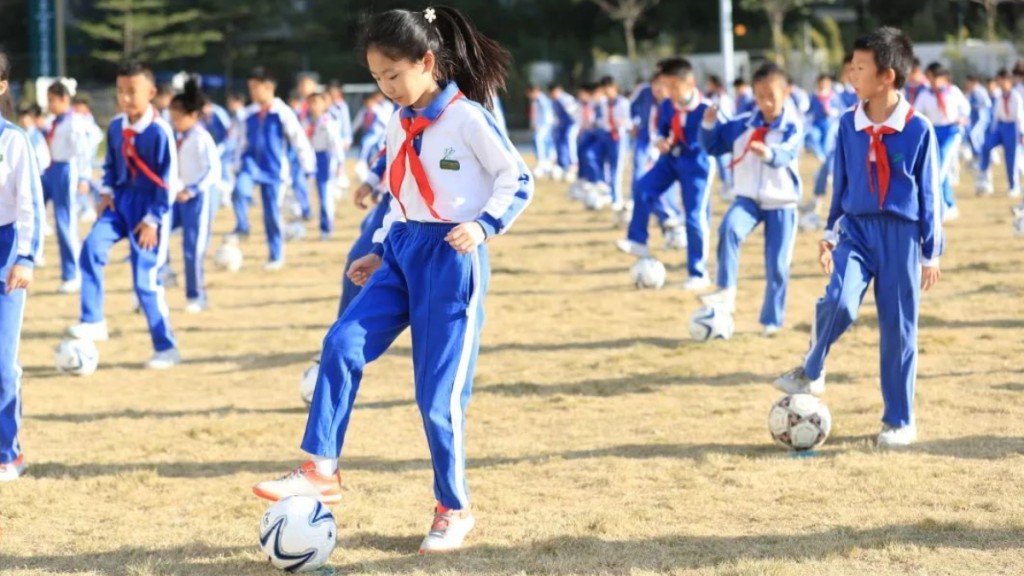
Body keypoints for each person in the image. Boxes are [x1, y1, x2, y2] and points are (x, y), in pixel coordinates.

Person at [252, 5, 534, 554]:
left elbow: (517, 180)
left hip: (453, 258)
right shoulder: (396, 120)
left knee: (436, 398)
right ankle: (321, 468)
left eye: (393, 76)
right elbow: (400, 193)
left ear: (427, 62)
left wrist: (481, 227)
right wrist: (380, 250)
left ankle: (453, 508)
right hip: (402, 252)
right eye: (378, 79)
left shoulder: (468, 118)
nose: (386, 89)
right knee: (341, 342)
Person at [773, 27, 943, 448]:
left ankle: (899, 421)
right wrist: (830, 233)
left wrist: (930, 253)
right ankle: (811, 368)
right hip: (857, 230)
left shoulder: (919, 129)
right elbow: (841, 182)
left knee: (898, 332)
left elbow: (930, 195)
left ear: (887, 76)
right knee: (839, 300)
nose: (851, 72)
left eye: (860, 66)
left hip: (902, 236)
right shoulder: (848, 125)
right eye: (851, 64)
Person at [67, 61, 182, 369]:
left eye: (133, 91)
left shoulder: (160, 132)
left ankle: (166, 347)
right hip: (120, 204)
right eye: (120, 91)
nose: (125, 97)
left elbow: (169, 183)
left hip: (151, 209)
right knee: (91, 248)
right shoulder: (116, 126)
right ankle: (93, 319)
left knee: (145, 281)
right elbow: (110, 166)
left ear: (152, 93)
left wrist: (153, 221)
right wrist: (105, 192)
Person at [699, 62, 802, 337]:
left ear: (786, 93)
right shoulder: (741, 124)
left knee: (777, 265)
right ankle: (726, 290)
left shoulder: (792, 127)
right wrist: (708, 123)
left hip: (781, 203)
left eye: (772, 96)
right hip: (748, 199)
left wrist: (767, 153)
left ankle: (771, 319)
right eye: (759, 96)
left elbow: (785, 155)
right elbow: (712, 146)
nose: (766, 102)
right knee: (729, 228)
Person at [0, 51, 45, 481]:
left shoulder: (14, 140)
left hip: (6, 252)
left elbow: (30, 205)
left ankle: (8, 453)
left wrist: (26, 258)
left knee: (1, 361)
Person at [230, 66, 316, 269]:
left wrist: (308, 165)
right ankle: (242, 227)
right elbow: (240, 141)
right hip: (250, 165)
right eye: (250, 87)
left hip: (274, 171)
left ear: (268, 87)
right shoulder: (247, 114)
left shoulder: (282, 113)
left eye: (255, 87)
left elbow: (299, 140)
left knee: (271, 215)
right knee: (239, 192)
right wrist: (236, 164)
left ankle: (275, 256)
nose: (252, 92)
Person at [169, 78, 221, 312]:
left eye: (177, 116)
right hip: (177, 196)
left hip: (198, 198)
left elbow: (212, 171)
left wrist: (192, 189)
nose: (173, 121)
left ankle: (197, 295)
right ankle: (164, 276)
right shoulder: (175, 137)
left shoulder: (202, 138)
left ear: (191, 115)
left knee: (193, 248)